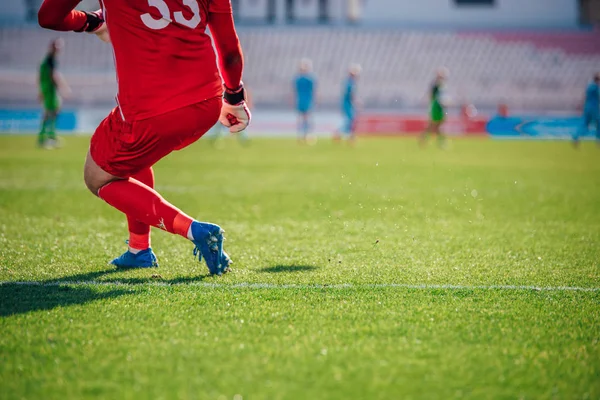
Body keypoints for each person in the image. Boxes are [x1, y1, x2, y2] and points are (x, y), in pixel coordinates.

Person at [37, 0, 251, 275]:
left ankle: (193, 230)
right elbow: (230, 52)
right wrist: (233, 97)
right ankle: (139, 249)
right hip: (207, 101)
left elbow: (49, 16)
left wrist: (90, 21)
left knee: (97, 176)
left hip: (149, 109)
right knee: (134, 157)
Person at [38, 38, 69, 148]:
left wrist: (41, 91)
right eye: (57, 47)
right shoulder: (51, 60)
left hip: (46, 89)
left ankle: (44, 137)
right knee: (53, 112)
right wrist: (62, 88)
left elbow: (41, 77)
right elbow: (53, 76)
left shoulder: (46, 60)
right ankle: (48, 137)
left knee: (49, 112)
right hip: (51, 90)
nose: (59, 49)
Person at [420, 68, 449, 148]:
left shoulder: (440, 85)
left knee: (435, 125)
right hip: (436, 107)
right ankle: (440, 142)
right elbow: (434, 96)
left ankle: (424, 138)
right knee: (435, 125)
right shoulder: (436, 85)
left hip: (439, 107)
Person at [335, 64, 360, 144]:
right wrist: (356, 102)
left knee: (349, 120)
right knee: (350, 120)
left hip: (346, 103)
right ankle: (341, 134)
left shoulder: (348, 82)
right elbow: (351, 94)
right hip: (348, 104)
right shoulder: (350, 83)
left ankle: (348, 136)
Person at [573, 73, 599, 147]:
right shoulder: (596, 88)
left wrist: (581, 105)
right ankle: (598, 140)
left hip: (587, 107)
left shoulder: (589, 86)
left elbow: (585, 97)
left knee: (584, 124)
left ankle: (576, 137)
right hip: (594, 108)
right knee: (598, 124)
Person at [293, 59, 316, 143]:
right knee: (307, 118)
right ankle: (307, 135)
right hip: (307, 100)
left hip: (301, 100)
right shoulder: (310, 79)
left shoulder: (298, 79)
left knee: (301, 118)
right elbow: (313, 91)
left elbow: (295, 91)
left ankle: (301, 136)